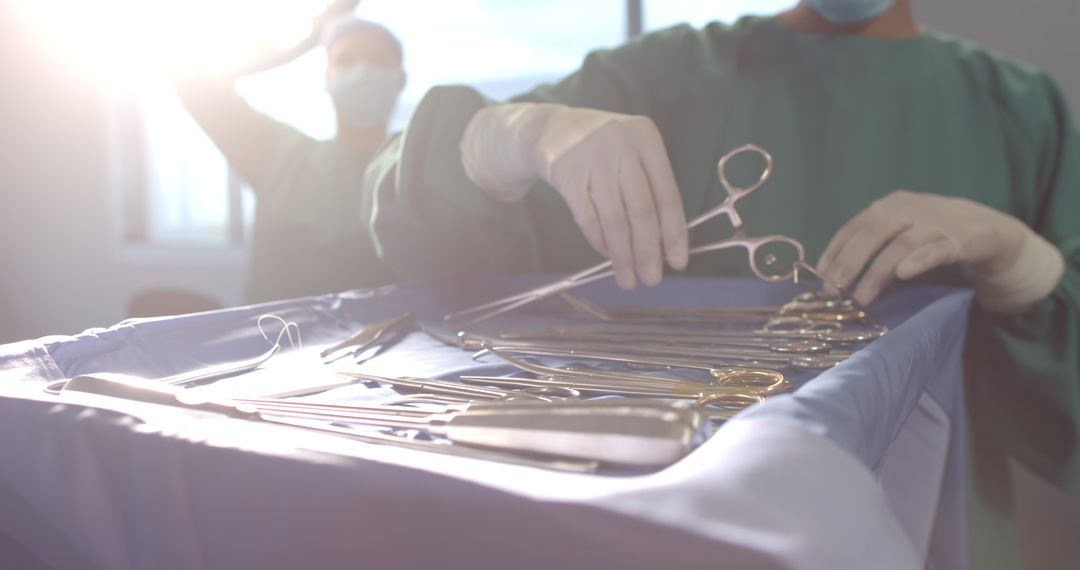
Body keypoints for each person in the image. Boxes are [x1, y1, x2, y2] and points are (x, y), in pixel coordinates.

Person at [361, 1, 1078, 567]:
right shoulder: (669, 74)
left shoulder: (1020, 106)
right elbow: (410, 206)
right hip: (674, 538)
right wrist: (511, 136)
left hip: (930, 529)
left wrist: (1026, 268)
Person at [176, 16, 404, 303]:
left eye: (378, 61)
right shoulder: (277, 153)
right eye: (346, 59)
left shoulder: (418, 168)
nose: (361, 71)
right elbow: (189, 78)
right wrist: (297, 42)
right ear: (328, 76)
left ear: (401, 79)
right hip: (271, 344)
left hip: (382, 345)